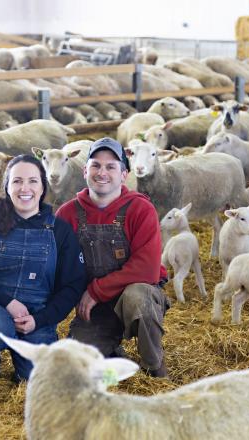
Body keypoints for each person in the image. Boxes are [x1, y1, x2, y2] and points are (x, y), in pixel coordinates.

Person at [0, 154, 86, 382]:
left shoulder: (60, 231)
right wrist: (8, 302)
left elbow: (72, 286)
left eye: (32, 181)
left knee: (36, 378)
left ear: (43, 187)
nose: (25, 188)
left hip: (37, 315)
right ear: (6, 186)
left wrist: (41, 319)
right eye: (17, 181)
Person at [56, 137, 170, 378]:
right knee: (78, 367)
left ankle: (154, 364)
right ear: (85, 170)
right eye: (96, 165)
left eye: (111, 167)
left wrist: (96, 291)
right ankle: (111, 350)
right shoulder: (67, 213)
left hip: (134, 294)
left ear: (124, 174)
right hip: (93, 306)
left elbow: (147, 269)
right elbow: (59, 266)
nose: (102, 172)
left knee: (138, 297)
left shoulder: (140, 209)